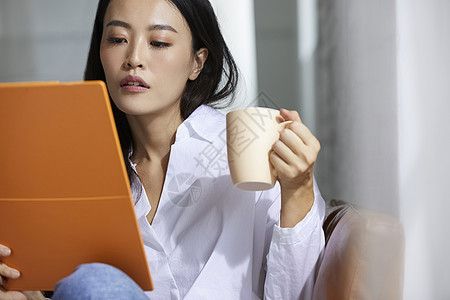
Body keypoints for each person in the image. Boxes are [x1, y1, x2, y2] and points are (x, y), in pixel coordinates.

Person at [0, 0, 325, 299]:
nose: (134, 59)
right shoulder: (73, 168)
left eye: (158, 42)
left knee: (95, 281)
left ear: (197, 63)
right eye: (116, 39)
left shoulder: (248, 148)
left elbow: (297, 293)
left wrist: (297, 191)